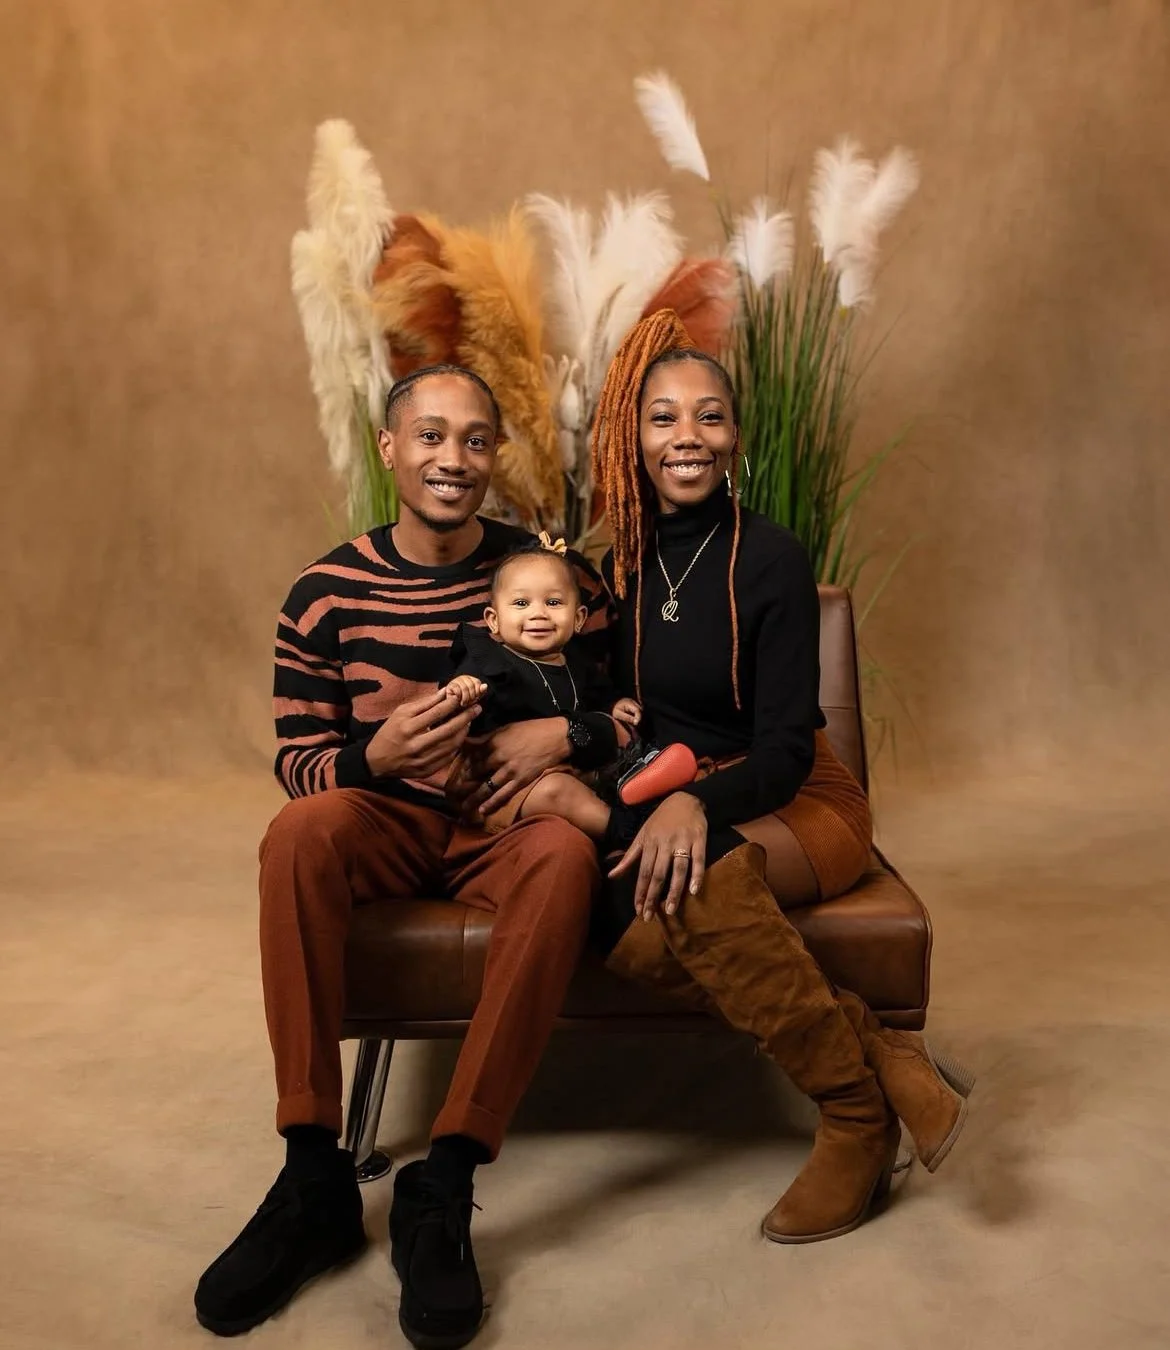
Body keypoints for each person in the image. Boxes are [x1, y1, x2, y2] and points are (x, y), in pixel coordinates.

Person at [194, 365, 618, 1349]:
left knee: (563, 854)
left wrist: (568, 740)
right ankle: (312, 1173)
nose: (453, 460)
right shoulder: (324, 590)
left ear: (493, 456)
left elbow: (622, 702)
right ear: (390, 449)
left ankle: (448, 1176)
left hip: (504, 827)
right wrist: (371, 756)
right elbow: (300, 761)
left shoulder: (548, 573)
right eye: (430, 437)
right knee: (299, 834)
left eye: (475, 440)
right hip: (385, 821)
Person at [592, 310, 974, 1245]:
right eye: (664, 418)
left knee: (693, 884)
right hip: (682, 797)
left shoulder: (772, 558)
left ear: (735, 437)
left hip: (799, 801)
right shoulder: (616, 563)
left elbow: (787, 753)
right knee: (616, 924)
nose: (688, 437)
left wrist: (691, 804)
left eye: (709, 417)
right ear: (633, 438)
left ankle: (850, 1115)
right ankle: (880, 1055)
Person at [442, 535, 698, 848]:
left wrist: (615, 704)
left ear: (578, 619)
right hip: (510, 783)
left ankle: (641, 779)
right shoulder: (490, 660)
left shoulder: (576, 661)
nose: (538, 613)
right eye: (521, 603)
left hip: (575, 767)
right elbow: (459, 698)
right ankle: (625, 830)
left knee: (613, 762)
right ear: (493, 621)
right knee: (557, 792)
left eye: (553, 602)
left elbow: (598, 693)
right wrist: (460, 688)